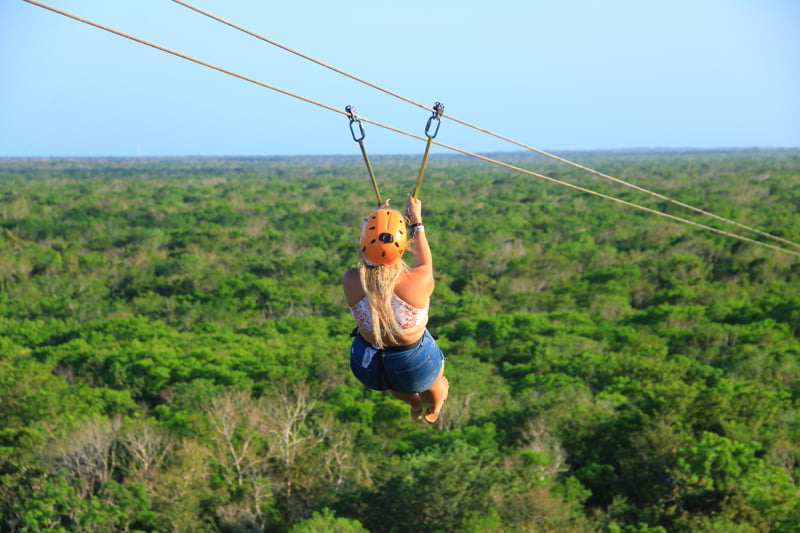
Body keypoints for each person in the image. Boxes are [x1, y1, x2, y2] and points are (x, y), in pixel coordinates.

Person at [343, 195, 449, 423]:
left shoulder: (351, 279)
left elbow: (368, 254)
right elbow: (425, 262)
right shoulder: (418, 280)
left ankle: (414, 402)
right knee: (435, 380)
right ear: (402, 248)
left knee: (393, 379)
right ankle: (435, 406)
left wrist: (374, 222)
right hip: (413, 363)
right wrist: (417, 222)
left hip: (369, 365)